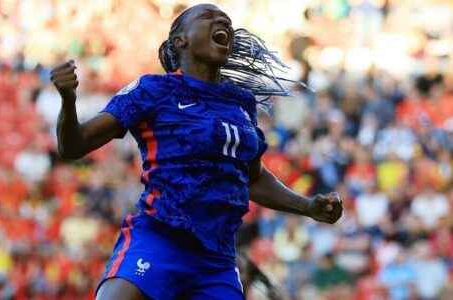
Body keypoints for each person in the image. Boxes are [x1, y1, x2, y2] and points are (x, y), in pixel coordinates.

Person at [50, 4, 342, 300]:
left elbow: (252, 179)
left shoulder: (241, 105)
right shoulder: (153, 90)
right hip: (160, 236)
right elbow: (73, 146)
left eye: (226, 21)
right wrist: (68, 101)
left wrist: (306, 206)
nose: (222, 23)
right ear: (181, 40)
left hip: (216, 260)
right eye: (208, 18)